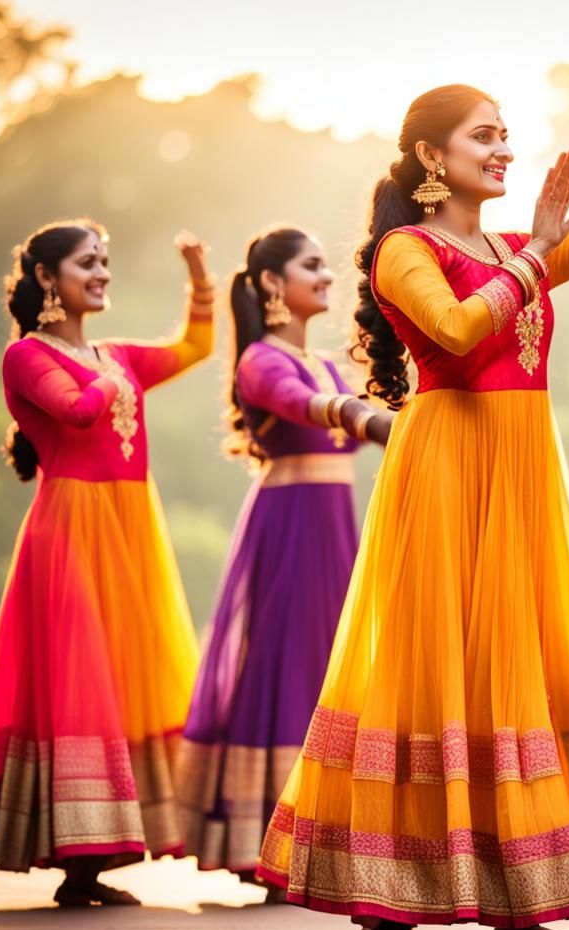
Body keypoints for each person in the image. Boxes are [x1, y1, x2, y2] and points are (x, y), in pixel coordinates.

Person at [258, 67, 569, 930]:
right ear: (431, 156)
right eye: (485, 134)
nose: (505, 147)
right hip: (447, 471)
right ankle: (385, 900)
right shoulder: (406, 250)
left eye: (506, 132)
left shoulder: (519, 247)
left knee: (525, 667)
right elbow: (454, 330)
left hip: (521, 475)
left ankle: (525, 904)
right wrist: (534, 255)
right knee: (431, 667)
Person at [0, 220, 215, 906]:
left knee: (122, 674)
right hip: (72, 527)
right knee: (81, 678)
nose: (102, 272)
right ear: (48, 278)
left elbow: (195, 347)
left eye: (105, 261)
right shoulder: (27, 356)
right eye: (86, 263)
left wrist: (198, 281)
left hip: (130, 524)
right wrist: (110, 376)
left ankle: (96, 857)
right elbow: (75, 412)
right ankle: (79, 859)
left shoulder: (113, 352)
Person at [176, 226, 392, 890]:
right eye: (312, 266)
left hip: (335, 531)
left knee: (335, 667)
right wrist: (361, 418)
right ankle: (271, 836)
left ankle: (325, 831)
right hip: (289, 529)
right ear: (273, 283)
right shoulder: (260, 362)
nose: (325, 276)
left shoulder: (330, 363)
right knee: (290, 665)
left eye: (327, 265)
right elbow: (298, 404)